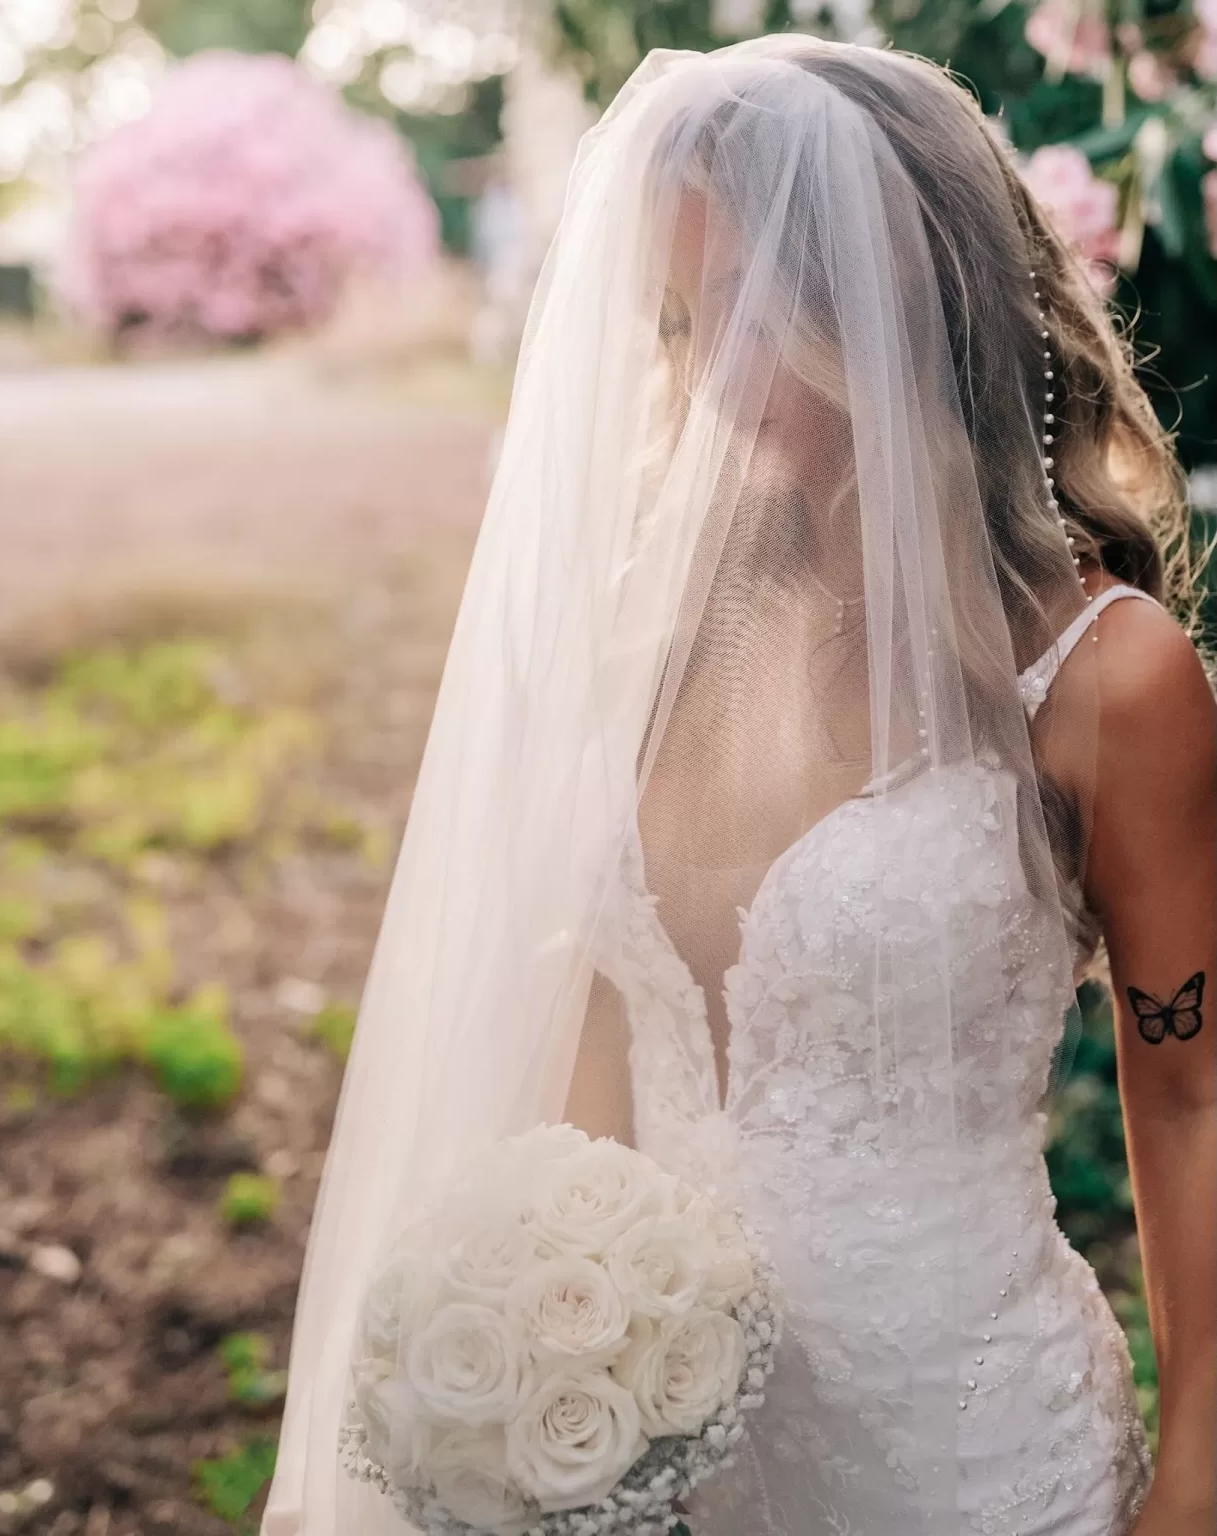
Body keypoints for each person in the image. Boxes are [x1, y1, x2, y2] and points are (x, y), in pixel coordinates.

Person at [264, 37, 1216, 1536]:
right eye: (678, 319)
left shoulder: (1108, 677)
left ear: (908, 303)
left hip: (966, 1461)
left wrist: (1204, 1473)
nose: (710, 374)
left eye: (757, 313)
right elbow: (598, 1005)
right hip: (662, 1454)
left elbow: (1191, 1091)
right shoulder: (659, 628)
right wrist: (551, 1351)